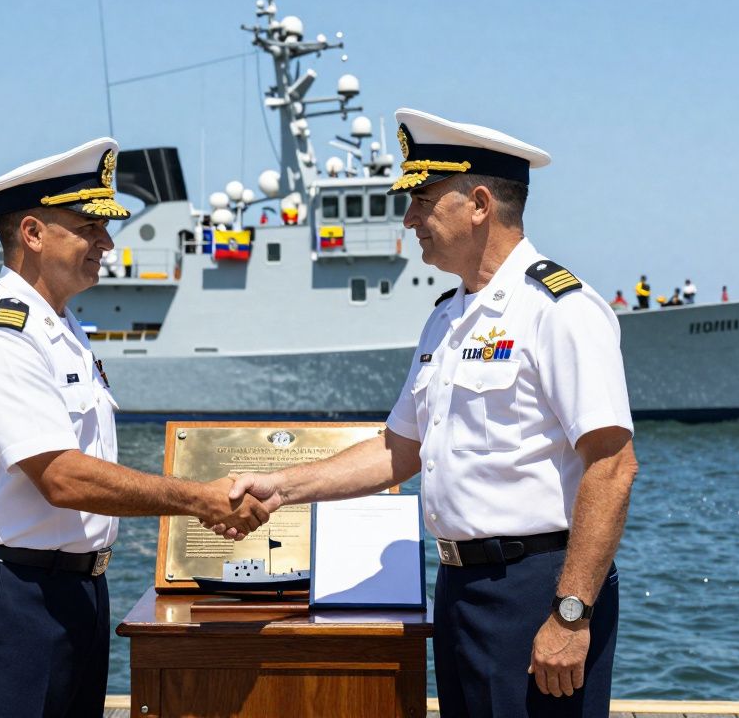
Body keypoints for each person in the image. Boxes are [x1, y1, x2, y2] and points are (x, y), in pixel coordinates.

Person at [211, 110, 637, 718]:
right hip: (460, 590)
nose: (409, 218)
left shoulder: (559, 309)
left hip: (539, 589)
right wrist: (281, 486)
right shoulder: (447, 316)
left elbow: (614, 467)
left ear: (480, 203)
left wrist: (570, 614)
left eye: (422, 199)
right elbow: (398, 450)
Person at [0, 137, 271, 718]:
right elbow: (61, 478)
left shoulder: (64, 330)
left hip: (74, 593)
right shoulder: (0, 333)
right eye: (88, 225)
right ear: (33, 234)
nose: (108, 241)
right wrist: (199, 500)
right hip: (10, 596)